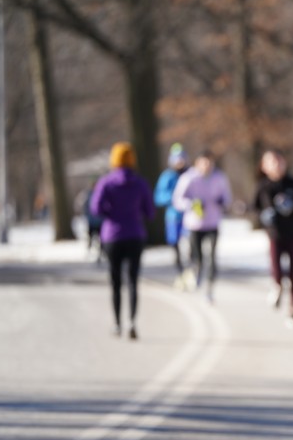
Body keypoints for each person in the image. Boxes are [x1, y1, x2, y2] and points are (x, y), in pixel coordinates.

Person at [90, 142, 155, 339]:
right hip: (135, 235)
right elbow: (150, 212)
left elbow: (95, 208)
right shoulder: (140, 183)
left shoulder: (106, 183)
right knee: (133, 281)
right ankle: (132, 322)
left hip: (112, 237)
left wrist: (111, 212)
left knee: (116, 281)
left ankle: (117, 324)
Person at [252, 149, 293, 327]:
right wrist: (264, 216)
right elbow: (254, 208)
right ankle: (277, 287)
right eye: (271, 162)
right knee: (277, 270)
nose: (276, 165)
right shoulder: (263, 186)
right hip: (274, 235)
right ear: (264, 166)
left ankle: (292, 311)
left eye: (279, 161)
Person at [172, 149, 232, 303]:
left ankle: (210, 287)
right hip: (194, 224)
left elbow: (227, 197)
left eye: (210, 162)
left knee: (211, 256)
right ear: (197, 163)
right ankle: (196, 275)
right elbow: (177, 199)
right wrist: (192, 204)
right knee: (197, 256)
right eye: (204, 163)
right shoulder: (188, 178)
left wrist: (222, 202)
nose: (207, 166)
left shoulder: (219, 177)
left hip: (213, 223)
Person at [154, 143, 190, 288]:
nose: (180, 162)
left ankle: (190, 271)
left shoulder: (190, 175)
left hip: (189, 218)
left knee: (189, 246)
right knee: (176, 248)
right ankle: (180, 273)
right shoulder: (167, 176)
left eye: (182, 158)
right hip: (173, 218)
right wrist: (174, 198)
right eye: (177, 159)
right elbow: (158, 197)